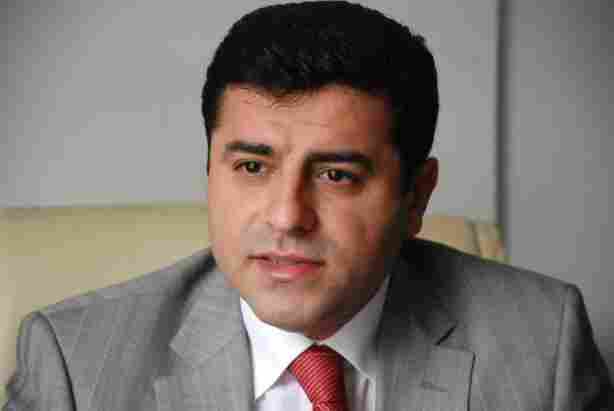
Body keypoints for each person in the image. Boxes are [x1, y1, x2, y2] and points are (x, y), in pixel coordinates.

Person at [4, 1, 613, 410]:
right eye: (252, 167)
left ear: (416, 197)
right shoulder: (75, 368)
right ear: (210, 173)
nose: (287, 216)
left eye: (336, 175)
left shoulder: (543, 349)